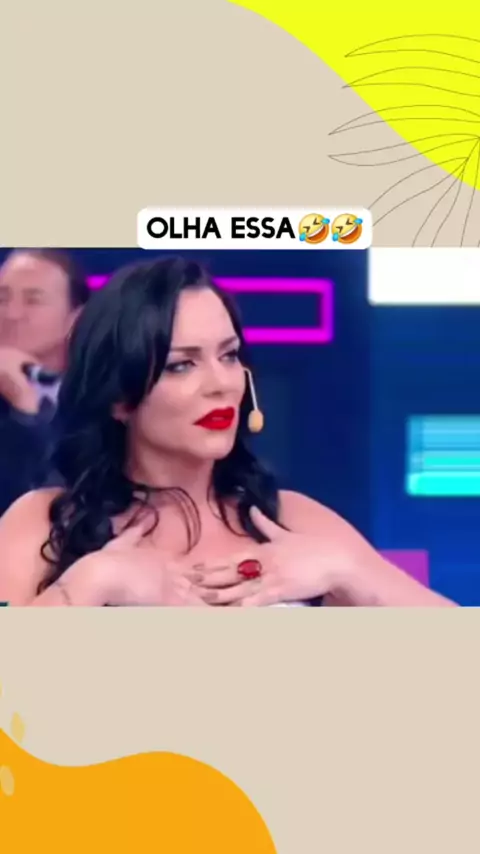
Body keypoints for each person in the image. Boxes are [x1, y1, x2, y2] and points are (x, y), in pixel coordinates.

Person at [0, 256, 456, 607]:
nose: (221, 383)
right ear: (119, 396)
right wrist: (89, 584)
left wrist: (350, 572)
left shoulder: (290, 519)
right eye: (182, 364)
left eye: (229, 355)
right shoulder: (45, 524)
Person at [0, 249, 90, 515]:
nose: (12, 313)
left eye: (33, 300)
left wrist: (27, 409)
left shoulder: (103, 400)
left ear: (75, 317)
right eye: (2, 298)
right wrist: (23, 414)